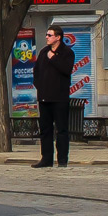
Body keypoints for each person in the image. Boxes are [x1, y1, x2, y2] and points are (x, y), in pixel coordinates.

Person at [32, 25, 75, 168]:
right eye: (46, 34)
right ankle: (46, 159)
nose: (46, 37)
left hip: (60, 97)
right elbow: (36, 71)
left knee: (61, 130)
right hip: (44, 97)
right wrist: (40, 86)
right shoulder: (44, 52)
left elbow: (66, 70)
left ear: (58, 37)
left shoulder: (67, 52)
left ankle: (62, 160)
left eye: (49, 35)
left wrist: (54, 58)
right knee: (45, 130)